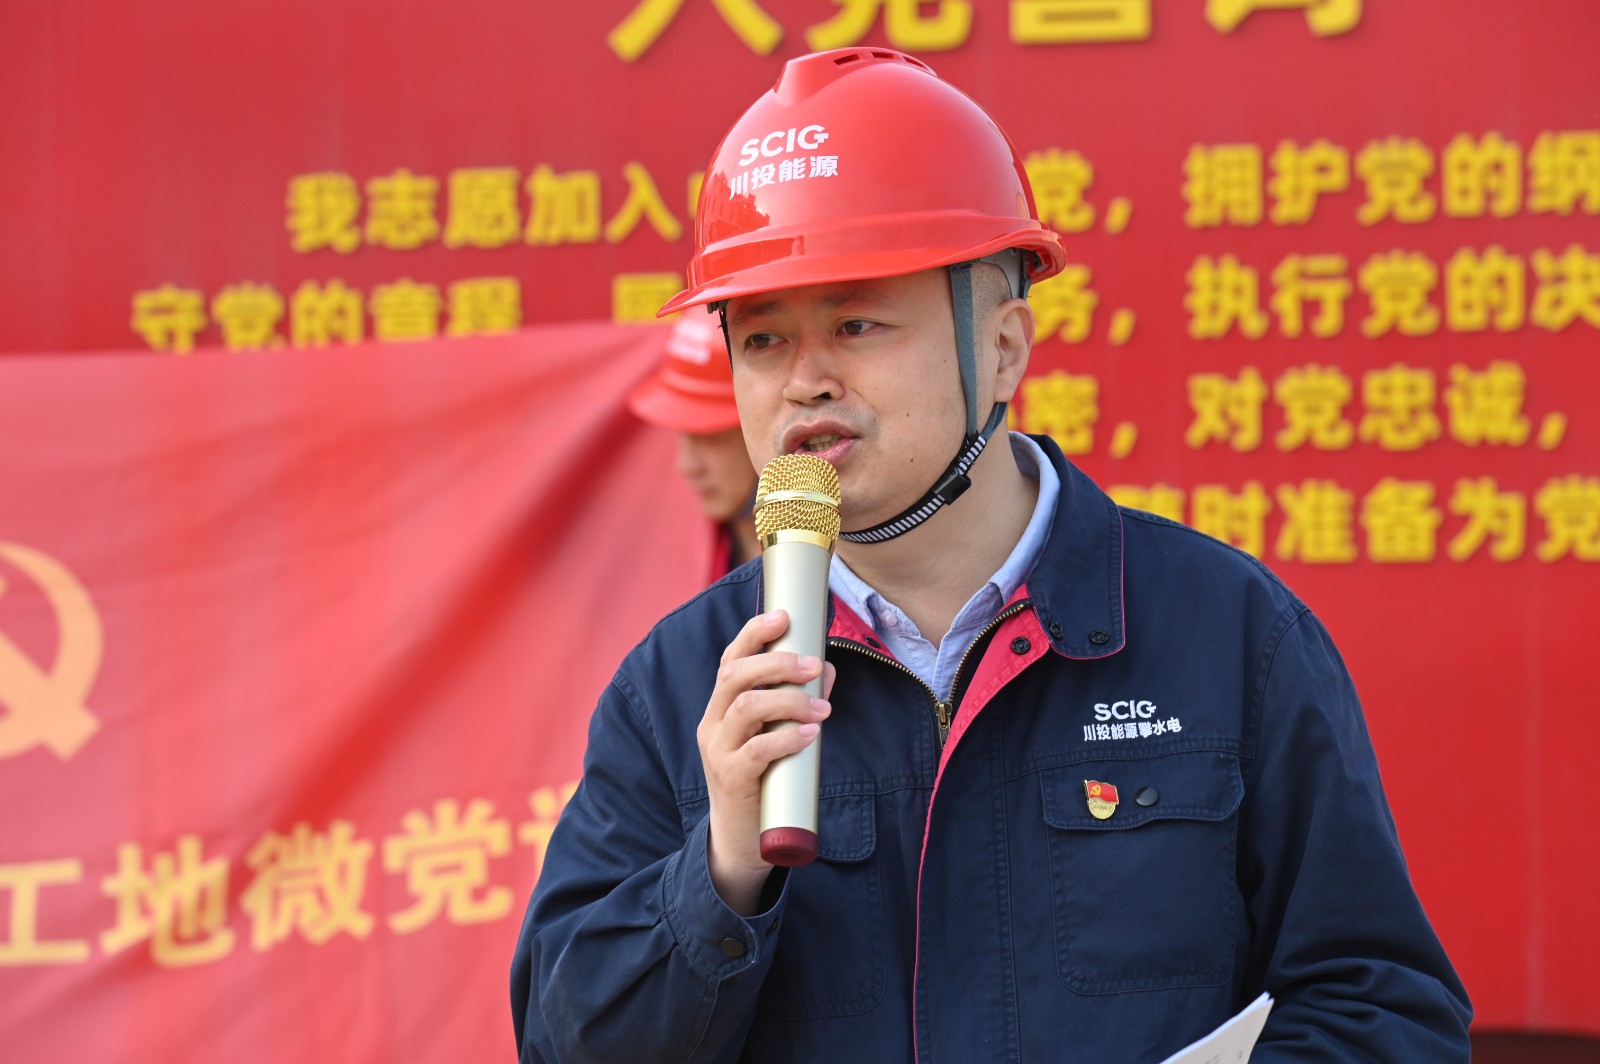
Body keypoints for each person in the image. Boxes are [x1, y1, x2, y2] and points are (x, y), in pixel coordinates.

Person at [511, 47, 1471, 1062]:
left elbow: (1381, 1012)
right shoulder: (679, 688)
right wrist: (718, 873)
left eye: (856, 323)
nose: (804, 381)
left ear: (1004, 348)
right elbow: (567, 1046)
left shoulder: (1228, 636)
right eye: (761, 340)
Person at [628, 312, 761, 580]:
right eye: (683, 435)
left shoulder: (832, 568)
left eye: (711, 438)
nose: (688, 466)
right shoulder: (689, 552)